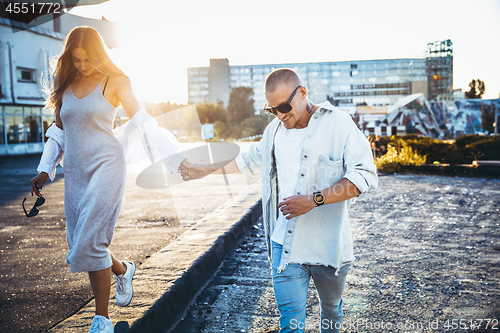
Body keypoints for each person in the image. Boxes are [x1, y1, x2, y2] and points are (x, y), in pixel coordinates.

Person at [181, 68, 378, 332]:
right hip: (284, 246)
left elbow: (363, 176)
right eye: (272, 109)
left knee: (331, 312)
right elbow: (247, 160)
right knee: (291, 323)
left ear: (303, 93)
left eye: (285, 106)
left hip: (328, 245)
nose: (280, 115)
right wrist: (206, 168)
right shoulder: (273, 132)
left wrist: (314, 200)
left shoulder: (338, 123)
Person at [29, 26, 185, 333]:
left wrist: (169, 156)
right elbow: (59, 132)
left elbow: (140, 120)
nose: (83, 66)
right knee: (84, 242)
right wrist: (45, 169)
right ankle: (123, 270)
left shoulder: (116, 80)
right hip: (76, 172)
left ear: (99, 55)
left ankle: (102, 320)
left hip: (107, 166)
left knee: (89, 240)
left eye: (88, 60)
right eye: (77, 60)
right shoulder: (66, 84)